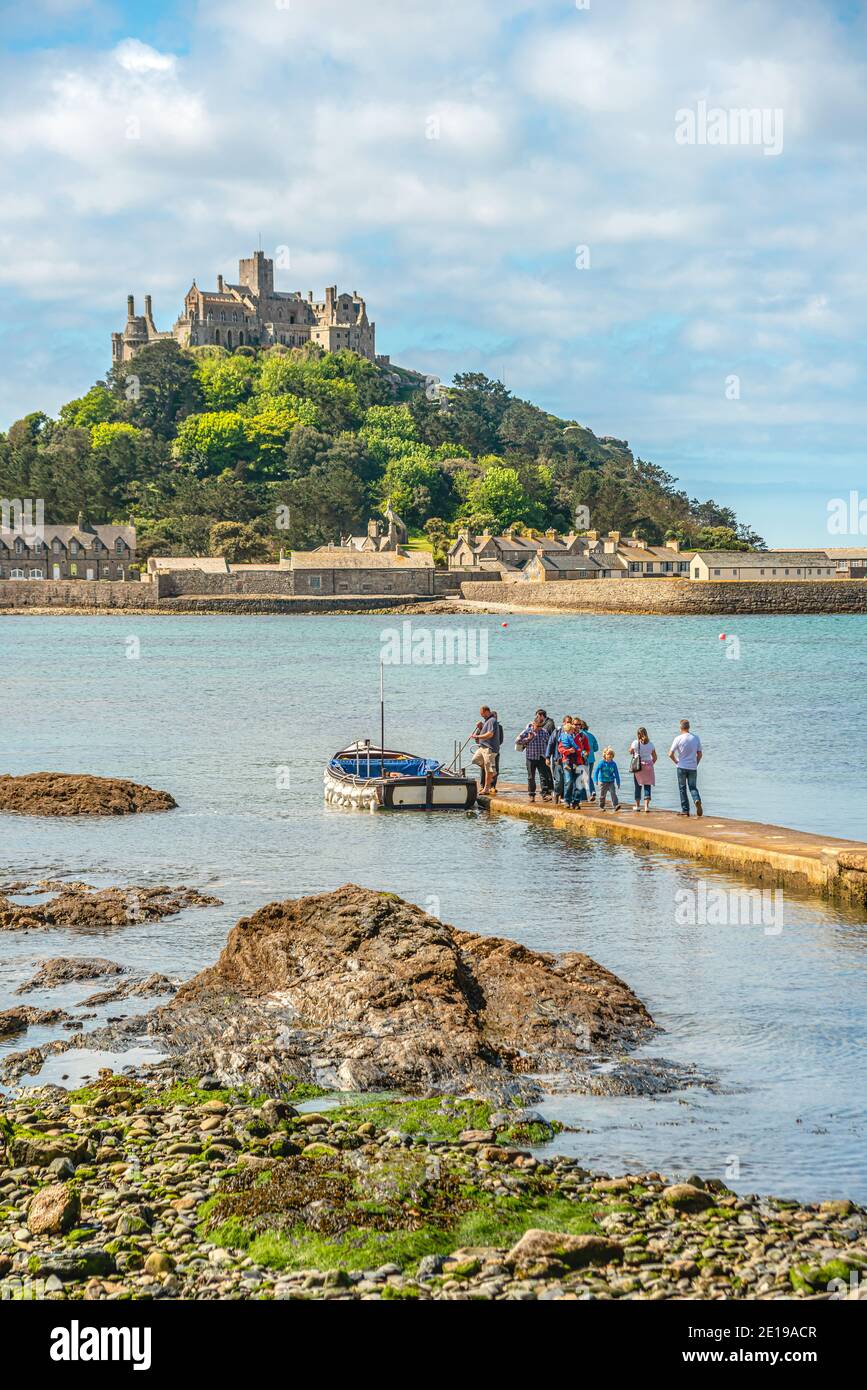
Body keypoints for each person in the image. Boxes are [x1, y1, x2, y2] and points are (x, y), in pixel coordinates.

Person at [516, 709, 554, 801]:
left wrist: (548, 756)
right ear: (533, 724)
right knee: (531, 777)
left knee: (543, 776)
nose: (538, 729)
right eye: (537, 726)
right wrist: (527, 739)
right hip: (530, 757)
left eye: (540, 727)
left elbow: (549, 743)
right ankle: (531, 794)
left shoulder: (544, 732)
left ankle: (545, 794)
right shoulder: (527, 731)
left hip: (541, 757)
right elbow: (517, 740)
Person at [668, 718, 703, 816]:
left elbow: (670, 754)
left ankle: (685, 810)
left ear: (680, 728)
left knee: (682, 788)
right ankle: (696, 799)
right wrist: (696, 763)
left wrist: (676, 761)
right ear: (689, 727)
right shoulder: (695, 738)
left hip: (681, 766)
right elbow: (700, 754)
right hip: (692, 767)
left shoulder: (678, 738)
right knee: (693, 787)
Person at [471, 704, 499, 795]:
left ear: (486, 712)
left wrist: (477, 736)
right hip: (482, 747)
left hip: (489, 748)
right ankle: (493, 773)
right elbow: (485, 730)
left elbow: (490, 734)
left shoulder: (492, 720)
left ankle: (486, 789)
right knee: (475, 759)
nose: (481, 715)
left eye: (482, 713)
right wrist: (480, 726)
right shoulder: (487, 721)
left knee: (488, 769)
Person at [628, 726, 658, 813]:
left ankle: (637, 806)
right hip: (649, 766)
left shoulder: (635, 743)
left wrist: (633, 750)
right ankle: (646, 807)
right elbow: (655, 757)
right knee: (647, 786)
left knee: (638, 786)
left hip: (638, 766)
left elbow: (630, 751)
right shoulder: (651, 744)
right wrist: (650, 764)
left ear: (638, 734)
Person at [546, 714, 573, 805]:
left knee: (568, 780)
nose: (568, 724)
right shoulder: (557, 731)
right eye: (567, 722)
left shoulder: (572, 733)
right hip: (558, 759)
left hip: (569, 761)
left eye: (570, 722)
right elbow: (550, 744)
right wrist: (547, 757)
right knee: (558, 780)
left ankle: (566, 799)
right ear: (563, 723)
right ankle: (556, 793)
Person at [577, 719, 599, 801]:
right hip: (591, 758)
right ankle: (592, 792)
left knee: (584, 776)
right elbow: (596, 748)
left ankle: (588, 794)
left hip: (583, 758)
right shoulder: (591, 735)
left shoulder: (579, 735)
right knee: (588, 775)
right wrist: (591, 750)